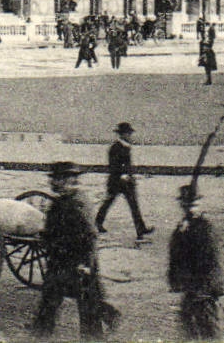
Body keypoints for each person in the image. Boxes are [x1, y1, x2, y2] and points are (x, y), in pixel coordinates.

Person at [30, 161, 118, 339]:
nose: (53, 183)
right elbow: (53, 228)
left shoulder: (77, 203)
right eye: (53, 179)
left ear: (69, 181)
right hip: (60, 261)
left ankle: (107, 319)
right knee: (51, 299)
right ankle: (40, 333)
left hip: (76, 263)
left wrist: (86, 264)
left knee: (87, 308)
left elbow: (90, 235)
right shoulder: (61, 201)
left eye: (58, 179)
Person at [168, 184, 223, 339]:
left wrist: (207, 289)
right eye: (186, 204)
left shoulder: (204, 228)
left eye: (193, 204)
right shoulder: (184, 227)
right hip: (190, 290)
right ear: (181, 205)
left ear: (199, 204)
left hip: (203, 291)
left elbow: (209, 260)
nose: (190, 208)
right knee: (187, 330)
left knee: (208, 332)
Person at [96, 122, 152, 239]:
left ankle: (141, 229)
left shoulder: (126, 147)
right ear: (122, 134)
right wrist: (122, 174)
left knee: (133, 206)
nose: (130, 135)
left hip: (126, 183)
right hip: (116, 182)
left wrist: (129, 176)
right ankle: (98, 222)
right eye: (128, 133)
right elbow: (113, 165)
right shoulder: (115, 148)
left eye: (130, 133)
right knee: (108, 203)